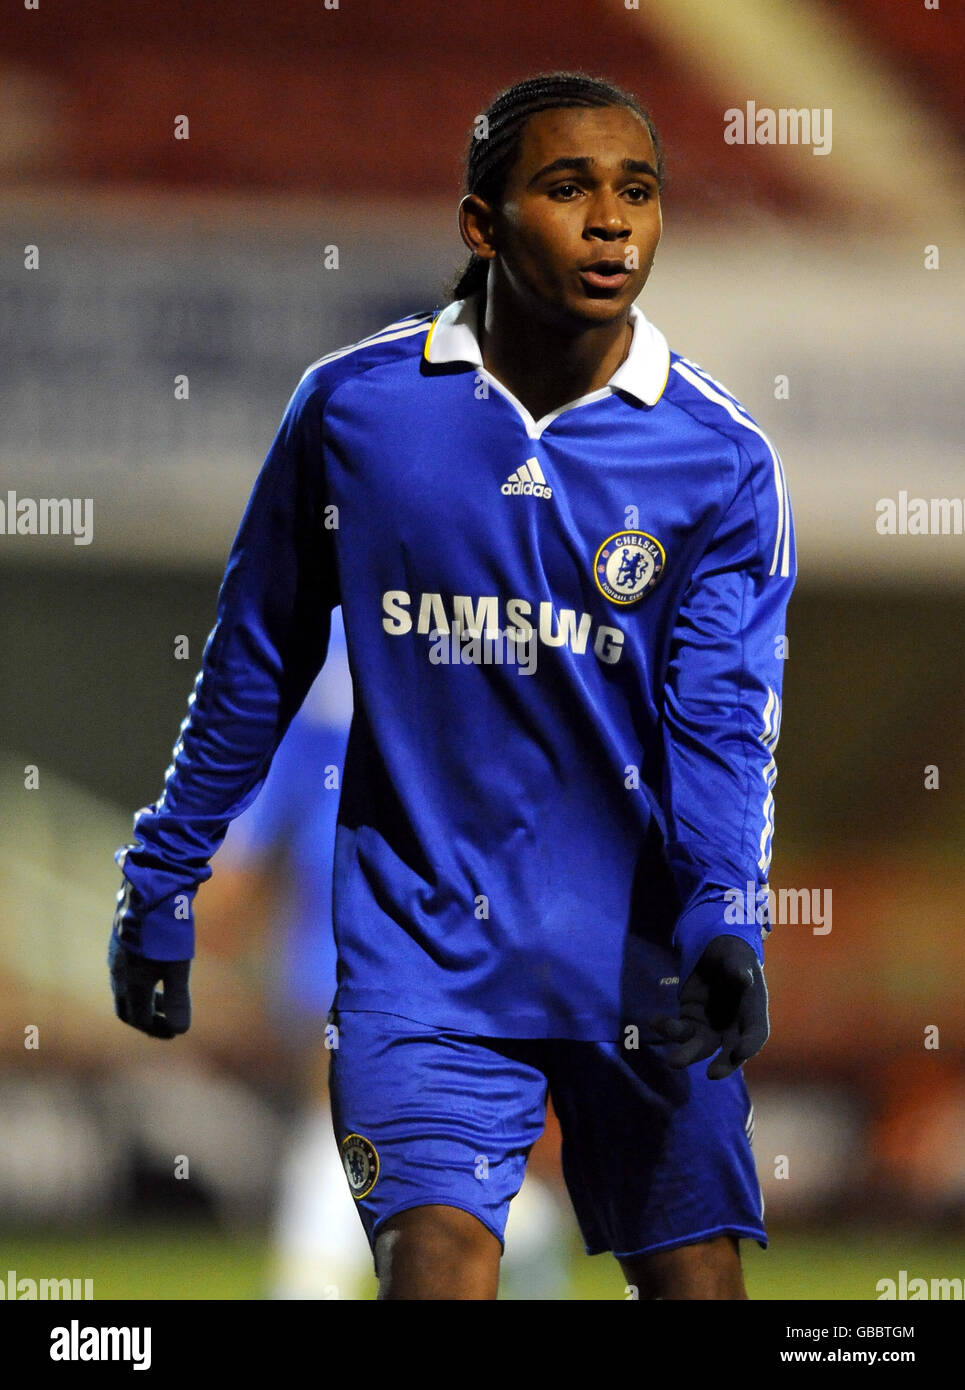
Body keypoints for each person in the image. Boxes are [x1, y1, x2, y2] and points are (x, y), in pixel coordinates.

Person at [109, 70, 796, 1300]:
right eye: (566, 188)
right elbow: (254, 660)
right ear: (480, 224)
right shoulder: (354, 412)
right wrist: (165, 878)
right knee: (436, 1266)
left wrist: (723, 920)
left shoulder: (718, 457)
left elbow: (719, 727)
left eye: (636, 191)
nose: (610, 223)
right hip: (422, 955)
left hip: (636, 955)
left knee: (697, 1289)